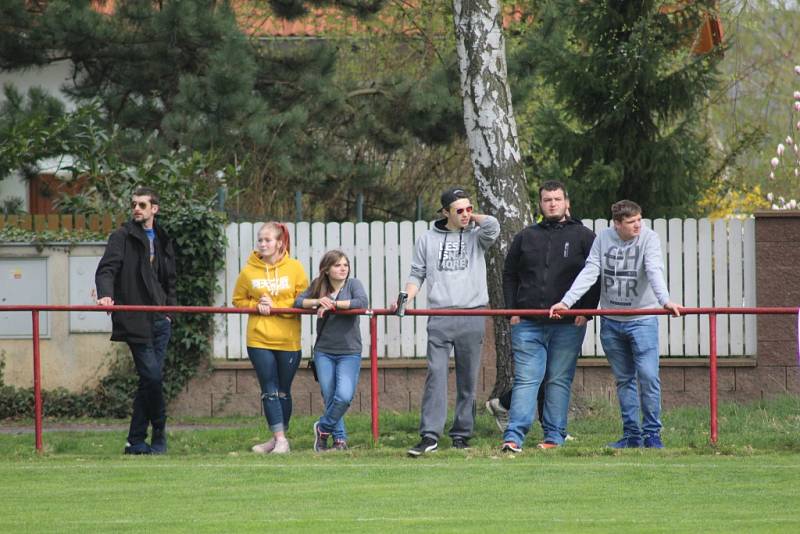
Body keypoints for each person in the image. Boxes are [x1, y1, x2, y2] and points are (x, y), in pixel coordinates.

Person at [550, 200, 681, 449]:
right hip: (611, 321)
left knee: (649, 377)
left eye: (639, 220)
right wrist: (566, 302)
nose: (638, 226)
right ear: (617, 224)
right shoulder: (603, 239)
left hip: (642, 320)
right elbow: (591, 270)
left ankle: (652, 435)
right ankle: (632, 435)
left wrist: (664, 300)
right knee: (624, 380)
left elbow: (654, 269)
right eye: (632, 222)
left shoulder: (648, 239)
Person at [398, 186, 500, 456]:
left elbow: (493, 226)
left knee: (468, 378)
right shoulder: (427, 240)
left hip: (473, 314)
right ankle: (430, 435)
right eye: (459, 210)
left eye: (469, 208)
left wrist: (469, 215)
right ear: (445, 212)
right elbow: (417, 274)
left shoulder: (478, 236)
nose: (466, 214)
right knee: (436, 376)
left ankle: (462, 434)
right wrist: (406, 296)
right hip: (440, 316)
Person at [499, 181, 600, 453]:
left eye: (557, 199)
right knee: (527, 379)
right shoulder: (526, 236)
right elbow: (509, 275)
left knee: (558, 379)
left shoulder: (583, 236)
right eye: (547, 199)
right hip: (528, 322)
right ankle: (513, 437)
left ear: (567, 202)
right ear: (540, 204)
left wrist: (587, 312)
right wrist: (512, 312)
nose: (552, 203)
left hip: (568, 325)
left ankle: (554, 436)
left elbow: (595, 274)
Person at [95, 187, 177, 455]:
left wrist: (169, 312)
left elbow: (170, 281)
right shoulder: (121, 236)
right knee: (152, 377)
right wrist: (106, 295)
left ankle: (135, 441)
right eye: (133, 204)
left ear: (155, 208)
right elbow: (107, 269)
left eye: (142, 204)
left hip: (160, 320)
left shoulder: (163, 238)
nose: (136, 209)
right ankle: (160, 433)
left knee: (148, 380)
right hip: (135, 319)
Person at [233, 222, 308, 454]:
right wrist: (256, 306)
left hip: (288, 340)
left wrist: (276, 306)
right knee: (269, 388)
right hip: (259, 339)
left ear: (280, 243)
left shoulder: (295, 268)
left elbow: (302, 300)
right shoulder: (248, 270)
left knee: (284, 390)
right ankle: (280, 439)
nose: (262, 244)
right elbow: (238, 300)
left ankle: (278, 440)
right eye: (260, 240)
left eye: (267, 240)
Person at [295, 250, 368, 452]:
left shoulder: (353, 284)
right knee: (330, 396)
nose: (343, 268)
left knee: (343, 396)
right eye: (337, 265)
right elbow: (298, 301)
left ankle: (322, 428)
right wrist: (319, 301)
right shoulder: (319, 285)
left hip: (349, 351)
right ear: (326, 269)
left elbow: (362, 302)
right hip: (324, 351)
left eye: (345, 264)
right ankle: (339, 441)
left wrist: (334, 304)